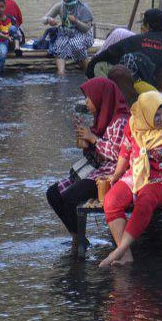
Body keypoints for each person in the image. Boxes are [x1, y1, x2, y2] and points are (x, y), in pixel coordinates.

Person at [100, 91, 162, 268]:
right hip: (135, 174)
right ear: (146, 114)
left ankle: (119, 250)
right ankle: (126, 254)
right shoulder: (134, 124)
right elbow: (125, 152)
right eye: (156, 115)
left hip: (161, 179)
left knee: (146, 200)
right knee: (111, 200)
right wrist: (116, 175)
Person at [46, 78, 131, 245]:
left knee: (70, 197)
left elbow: (118, 155)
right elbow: (95, 154)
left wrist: (93, 139)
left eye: (88, 98)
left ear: (101, 97)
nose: (86, 102)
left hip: (112, 176)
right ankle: (77, 236)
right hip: (97, 170)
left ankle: (80, 240)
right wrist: (85, 139)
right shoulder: (102, 117)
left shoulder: (121, 120)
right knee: (53, 194)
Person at [84, 8, 162, 105]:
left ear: (147, 25)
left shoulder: (135, 41)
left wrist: (90, 68)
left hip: (140, 93)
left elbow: (109, 53)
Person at [42, 0, 95, 76]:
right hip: (66, 33)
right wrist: (49, 20)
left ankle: (87, 69)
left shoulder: (82, 8)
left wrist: (76, 21)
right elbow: (43, 19)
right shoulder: (60, 6)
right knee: (59, 46)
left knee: (75, 44)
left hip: (82, 34)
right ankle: (61, 73)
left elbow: (87, 28)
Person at [0, 0, 22, 74]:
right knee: (2, 53)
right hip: (1, 42)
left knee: (13, 28)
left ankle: (17, 47)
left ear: (5, 7)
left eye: (2, 7)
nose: (0, 9)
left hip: (12, 42)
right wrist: (7, 37)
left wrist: (13, 38)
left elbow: (17, 29)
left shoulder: (11, 18)